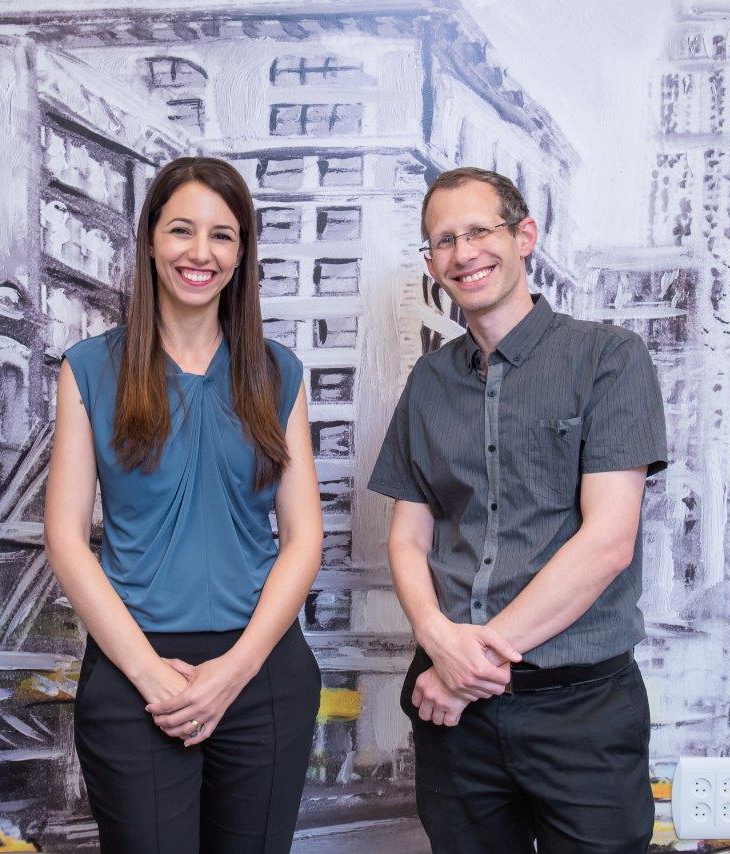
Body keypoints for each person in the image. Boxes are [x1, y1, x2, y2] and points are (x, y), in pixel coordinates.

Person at [369, 167, 667, 852]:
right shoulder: (428, 381)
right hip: (452, 719)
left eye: (479, 230)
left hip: (581, 709)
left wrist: (464, 669)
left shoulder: (608, 358)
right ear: (431, 261)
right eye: (444, 240)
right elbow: (408, 539)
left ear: (524, 235)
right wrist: (439, 644)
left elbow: (608, 543)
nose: (463, 253)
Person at [43, 157, 323, 854]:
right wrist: (147, 675)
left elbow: (304, 538)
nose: (201, 253)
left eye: (223, 236)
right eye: (181, 231)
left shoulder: (278, 372)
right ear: (149, 241)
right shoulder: (87, 369)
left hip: (261, 674)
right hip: (135, 675)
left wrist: (236, 669)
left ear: (243, 252)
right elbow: (67, 539)